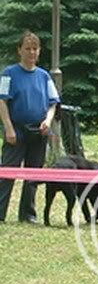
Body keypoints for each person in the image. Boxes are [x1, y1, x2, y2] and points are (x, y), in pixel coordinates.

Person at [0, 31, 60, 223]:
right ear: (19, 50)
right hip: (16, 131)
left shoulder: (44, 76)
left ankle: (28, 214)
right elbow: (2, 102)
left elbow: (53, 103)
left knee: (33, 174)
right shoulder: (8, 73)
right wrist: (8, 128)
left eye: (35, 49)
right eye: (27, 48)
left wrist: (47, 121)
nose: (31, 52)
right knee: (7, 173)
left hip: (39, 131)